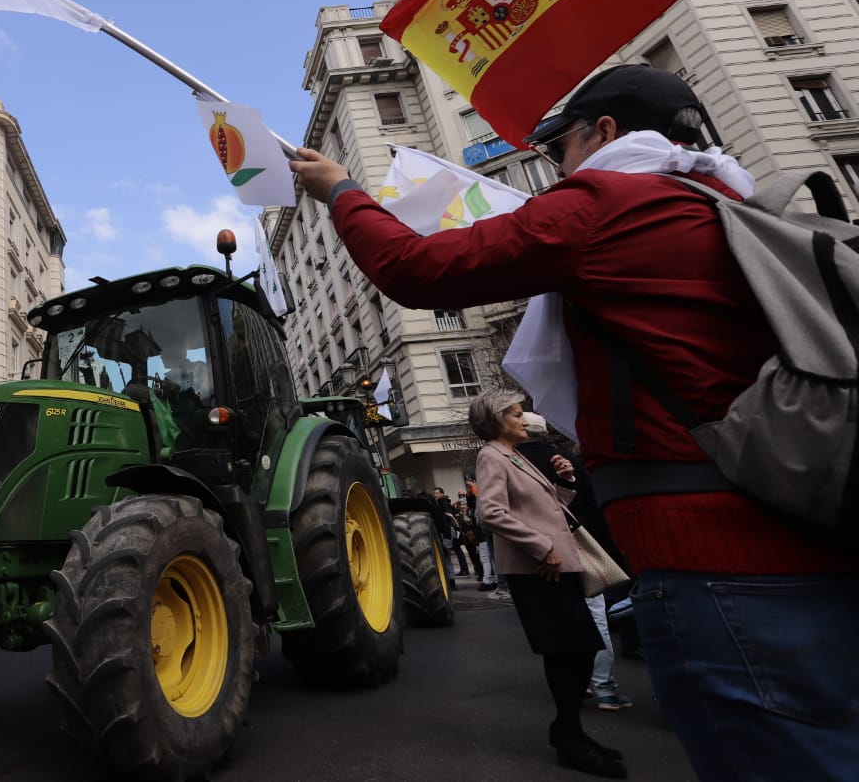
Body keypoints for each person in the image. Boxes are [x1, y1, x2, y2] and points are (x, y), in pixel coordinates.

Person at [290, 64, 859, 780]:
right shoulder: (724, 204)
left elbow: (415, 269)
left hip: (717, 564)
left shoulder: (609, 199)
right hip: (812, 533)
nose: (557, 166)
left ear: (607, 133)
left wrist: (341, 190)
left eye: (562, 147)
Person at [472, 392, 624, 778]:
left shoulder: (515, 455)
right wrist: (541, 548)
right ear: (497, 420)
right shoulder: (492, 455)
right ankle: (570, 738)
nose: (526, 420)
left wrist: (567, 481)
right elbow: (490, 513)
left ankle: (567, 730)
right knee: (565, 651)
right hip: (537, 569)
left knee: (584, 648)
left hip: (555, 564)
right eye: (518, 415)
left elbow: (548, 508)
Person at [517, 411, 633, 713]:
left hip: (535, 554)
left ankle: (573, 685)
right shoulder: (569, 460)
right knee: (596, 617)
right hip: (579, 547)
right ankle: (605, 688)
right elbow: (594, 507)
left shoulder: (514, 465)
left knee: (557, 622)